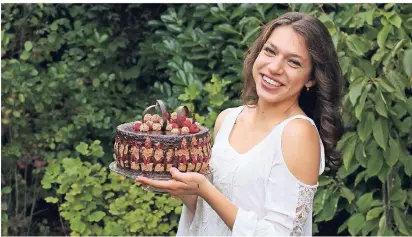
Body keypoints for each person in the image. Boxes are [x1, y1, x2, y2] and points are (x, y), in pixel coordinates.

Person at [136, 12, 343, 236]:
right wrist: (182, 188)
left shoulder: (298, 133)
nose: (275, 67)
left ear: (311, 78)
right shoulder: (227, 119)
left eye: (293, 62)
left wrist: (205, 190)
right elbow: (206, 216)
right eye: (270, 51)